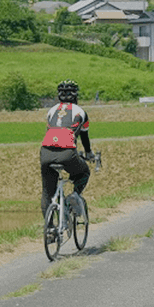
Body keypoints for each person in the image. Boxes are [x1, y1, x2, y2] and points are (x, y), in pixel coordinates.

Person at [39, 81, 95, 225]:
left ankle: (50, 229)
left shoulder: (51, 110)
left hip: (45, 152)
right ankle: (74, 196)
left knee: (47, 192)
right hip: (67, 153)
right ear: (76, 95)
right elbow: (84, 138)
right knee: (83, 172)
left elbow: (51, 132)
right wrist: (89, 154)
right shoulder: (81, 112)